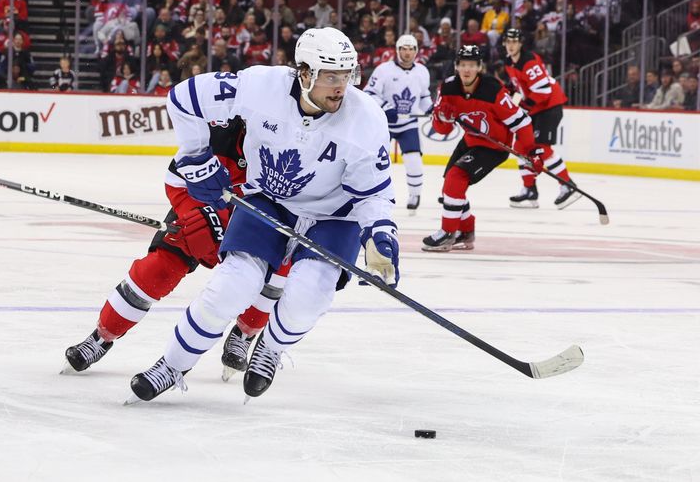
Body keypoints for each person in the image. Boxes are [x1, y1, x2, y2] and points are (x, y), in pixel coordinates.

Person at [126, 27, 399, 403]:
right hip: (267, 199)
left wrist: (380, 236)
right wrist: (194, 156)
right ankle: (173, 365)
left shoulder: (365, 118)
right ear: (304, 73)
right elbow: (183, 98)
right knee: (230, 286)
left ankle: (269, 348)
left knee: (309, 295)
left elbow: (374, 194)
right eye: (331, 76)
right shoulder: (260, 86)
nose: (341, 87)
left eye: (347, 76)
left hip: (334, 216)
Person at [62, 99, 289, 377]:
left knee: (278, 273)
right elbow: (179, 177)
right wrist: (195, 217)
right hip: (203, 208)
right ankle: (102, 336)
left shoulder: (290, 146)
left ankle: (244, 334)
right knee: (158, 268)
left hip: (259, 224)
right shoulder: (217, 132)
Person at [422, 45, 538, 252]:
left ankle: (448, 233)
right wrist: (442, 118)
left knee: (455, 179)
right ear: (457, 66)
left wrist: (531, 151)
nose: (467, 70)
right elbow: (441, 129)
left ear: (479, 67)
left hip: (494, 146)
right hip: (471, 141)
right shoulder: (447, 88)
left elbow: (522, 122)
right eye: (463, 65)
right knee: (450, 188)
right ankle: (466, 232)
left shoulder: (493, 90)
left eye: (472, 65)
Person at [502, 28, 581, 209]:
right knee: (520, 147)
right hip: (536, 109)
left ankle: (568, 186)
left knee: (541, 148)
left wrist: (523, 108)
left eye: (514, 41)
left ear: (521, 43)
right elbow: (518, 86)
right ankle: (530, 190)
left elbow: (544, 90)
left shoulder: (528, 61)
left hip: (549, 107)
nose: (511, 45)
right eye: (508, 41)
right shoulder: (509, 62)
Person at [365, 34, 432, 212]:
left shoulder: (422, 71)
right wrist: (386, 109)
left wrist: (432, 110)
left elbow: (424, 97)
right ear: (397, 50)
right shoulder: (383, 70)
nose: (407, 52)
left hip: (408, 124)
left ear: (416, 51)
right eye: (403, 48)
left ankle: (415, 195)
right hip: (383, 125)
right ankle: (376, 194)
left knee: (413, 160)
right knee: (378, 162)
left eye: (411, 49)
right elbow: (369, 93)